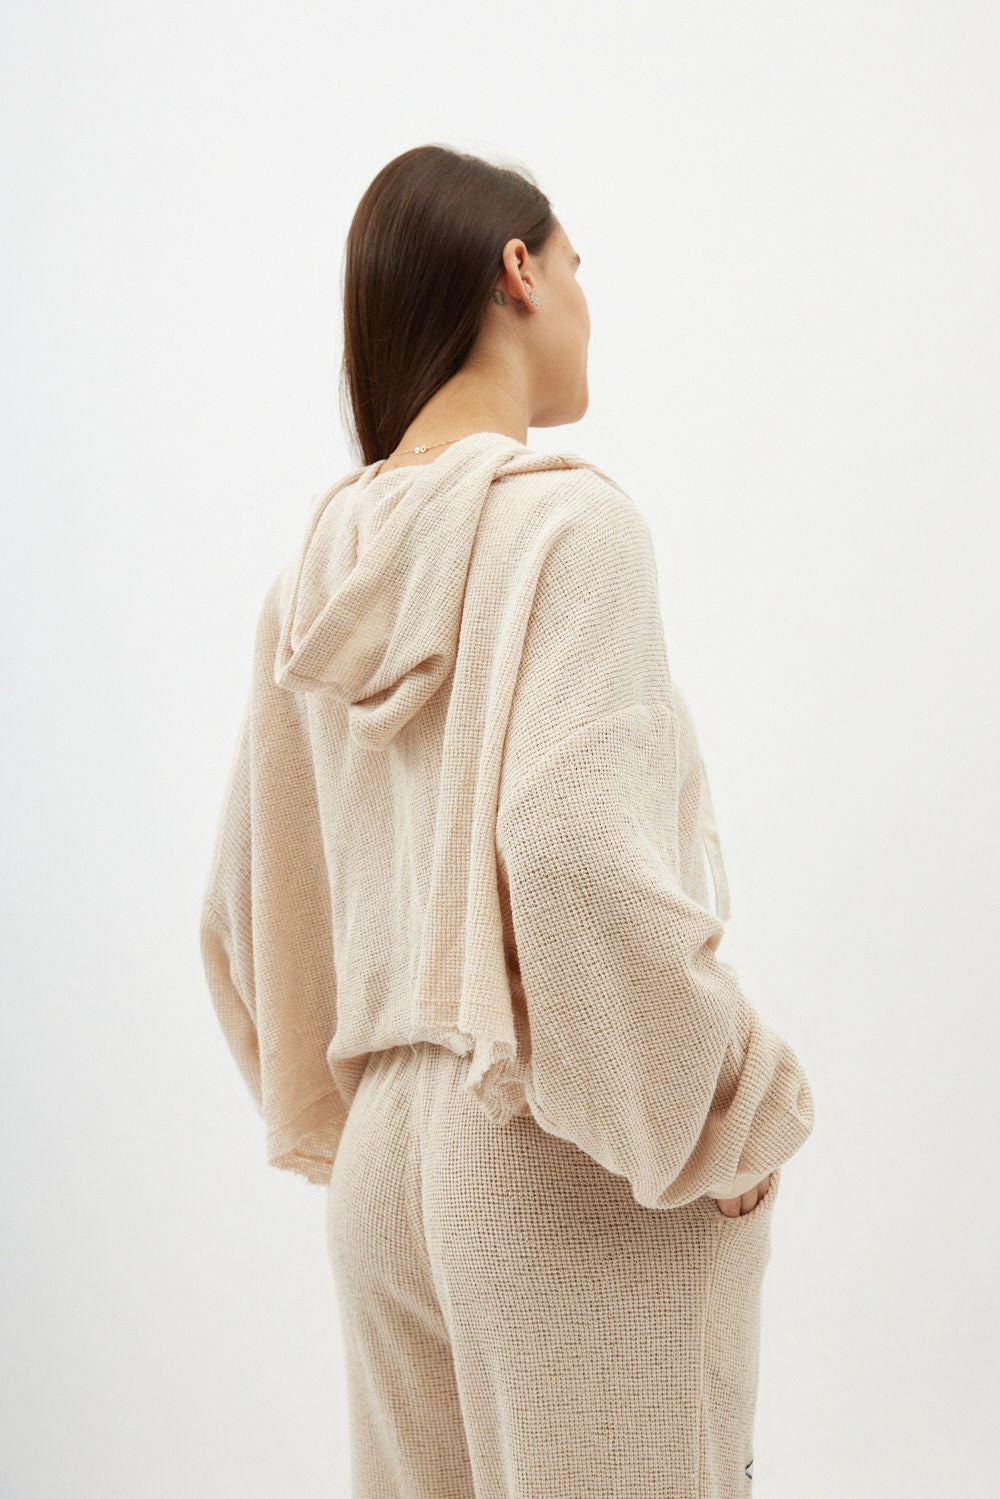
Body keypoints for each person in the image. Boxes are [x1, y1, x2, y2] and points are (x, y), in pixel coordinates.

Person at [199, 142, 816, 1498]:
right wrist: (721, 1112)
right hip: (556, 1152)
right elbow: (572, 853)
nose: (590, 302)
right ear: (518, 270)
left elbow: (242, 909)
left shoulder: (313, 586)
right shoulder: (567, 531)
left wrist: (370, 1106)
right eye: (579, 267)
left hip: (382, 1173)